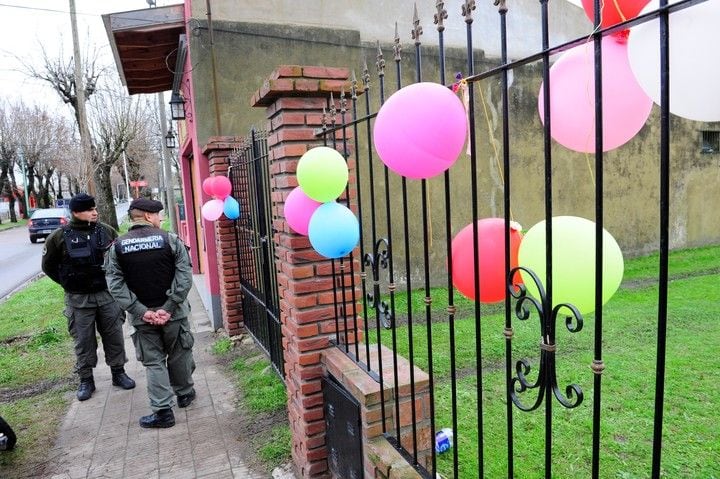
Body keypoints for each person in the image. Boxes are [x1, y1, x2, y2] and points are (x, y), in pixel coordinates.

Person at [105, 197, 195, 428]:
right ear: (147, 216)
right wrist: (169, 307)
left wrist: (141, 311)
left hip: (142, 319)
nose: (161, 219)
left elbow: (115, 285)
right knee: (179, 353)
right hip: (174, 314)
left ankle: (164, 413)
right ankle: (184, 394)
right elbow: (184, 278)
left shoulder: (117, 246)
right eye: (158, 215)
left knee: (154, 362)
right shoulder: (171, 240)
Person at [41, 193, 135, 401]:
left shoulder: (107, 231)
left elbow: (121, 259)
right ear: (76, 212)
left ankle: (118, 373)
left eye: (95, 208)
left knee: (114, 336)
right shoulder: (58, 236)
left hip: (106, 295)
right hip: (78, 299)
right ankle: (86, 380)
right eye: (89, 209)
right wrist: (68, 282)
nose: (95, 212)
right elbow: (48, 266)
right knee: (83, 341)